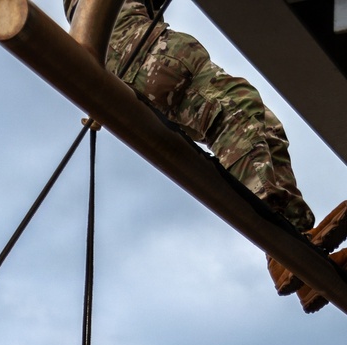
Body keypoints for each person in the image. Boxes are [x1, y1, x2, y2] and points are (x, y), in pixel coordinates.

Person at [65, 0, 347, 312]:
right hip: (145, 53)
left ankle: (300, 251)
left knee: (261, 123)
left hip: (141, 52)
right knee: (234, 115)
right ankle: (283, 250)